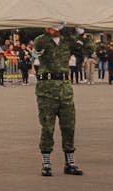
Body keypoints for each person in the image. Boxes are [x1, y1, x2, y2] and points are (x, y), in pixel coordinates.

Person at [32, 25, 87, 177]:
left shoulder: (67, 40)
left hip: (64, 88)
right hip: (46, 89)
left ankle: (70, 162)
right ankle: (46, 162)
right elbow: (36, 50)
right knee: (47, 127)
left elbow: (87, 50)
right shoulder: (42, 40)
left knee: (69, 126)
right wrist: (49, 31)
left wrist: (81, 33)